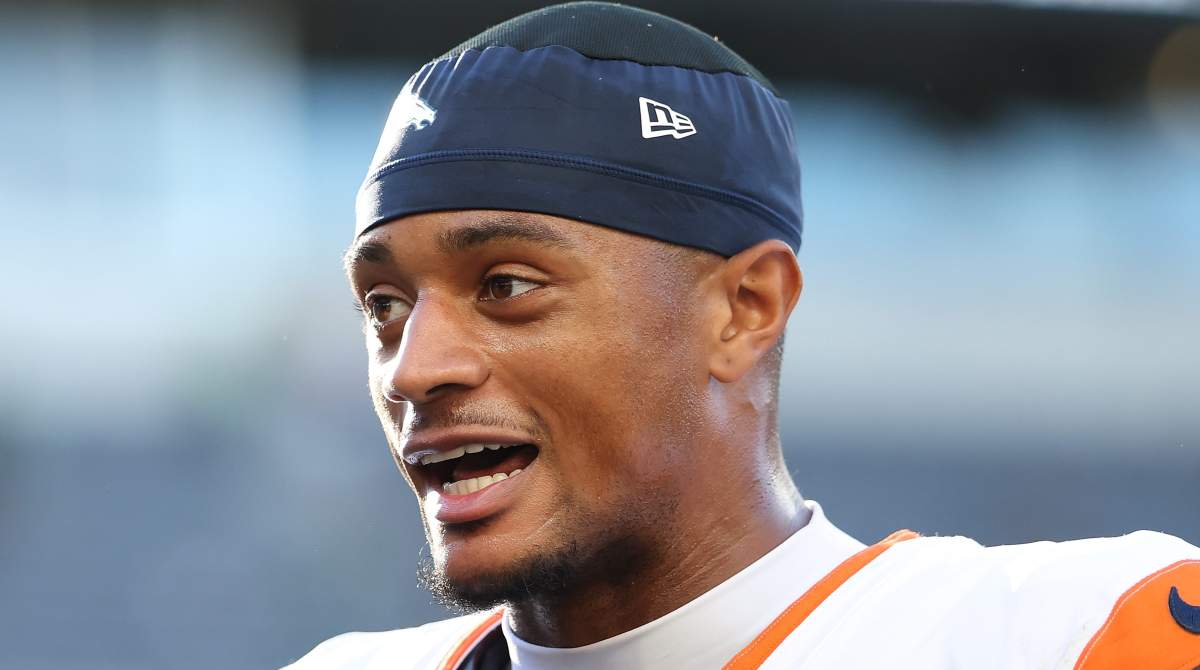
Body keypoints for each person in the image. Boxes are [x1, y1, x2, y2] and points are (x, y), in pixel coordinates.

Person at [287, 3, 1200, 668]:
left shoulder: (1085, 632)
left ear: (746, 308)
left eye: (507, 287)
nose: (414, 368)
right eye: (385, 306)